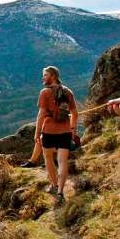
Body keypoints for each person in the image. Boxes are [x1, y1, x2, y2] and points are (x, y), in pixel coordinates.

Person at [34, 66, 78, 204]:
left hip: (49, 131)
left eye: (45, 75)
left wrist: (37, 132)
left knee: (48, 157)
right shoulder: (68, 91)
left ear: (53, 76)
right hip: (65, 131)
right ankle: (60, 192)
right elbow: (75, 113)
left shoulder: (45, 92)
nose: (43, 78)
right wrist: (72, 129)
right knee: (62, 161)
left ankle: (54, 185)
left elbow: (41, 114)